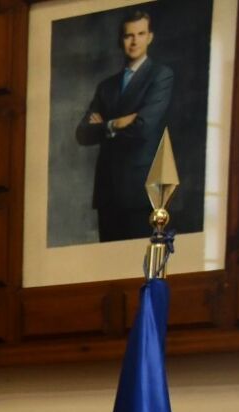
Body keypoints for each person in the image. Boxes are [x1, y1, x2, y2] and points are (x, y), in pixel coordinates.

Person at [75, 8, 173, 242]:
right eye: (129, 35)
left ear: (150, 37)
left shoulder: (160, 76)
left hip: (140, 191)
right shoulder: (106, 86)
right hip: (107, 191)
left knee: (138, 260)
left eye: (140, 34)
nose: (134, 41)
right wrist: (116, 123)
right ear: (121, 40)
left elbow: (143, 127)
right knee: (107, 260)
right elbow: (83, 133)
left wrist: (104, 128)